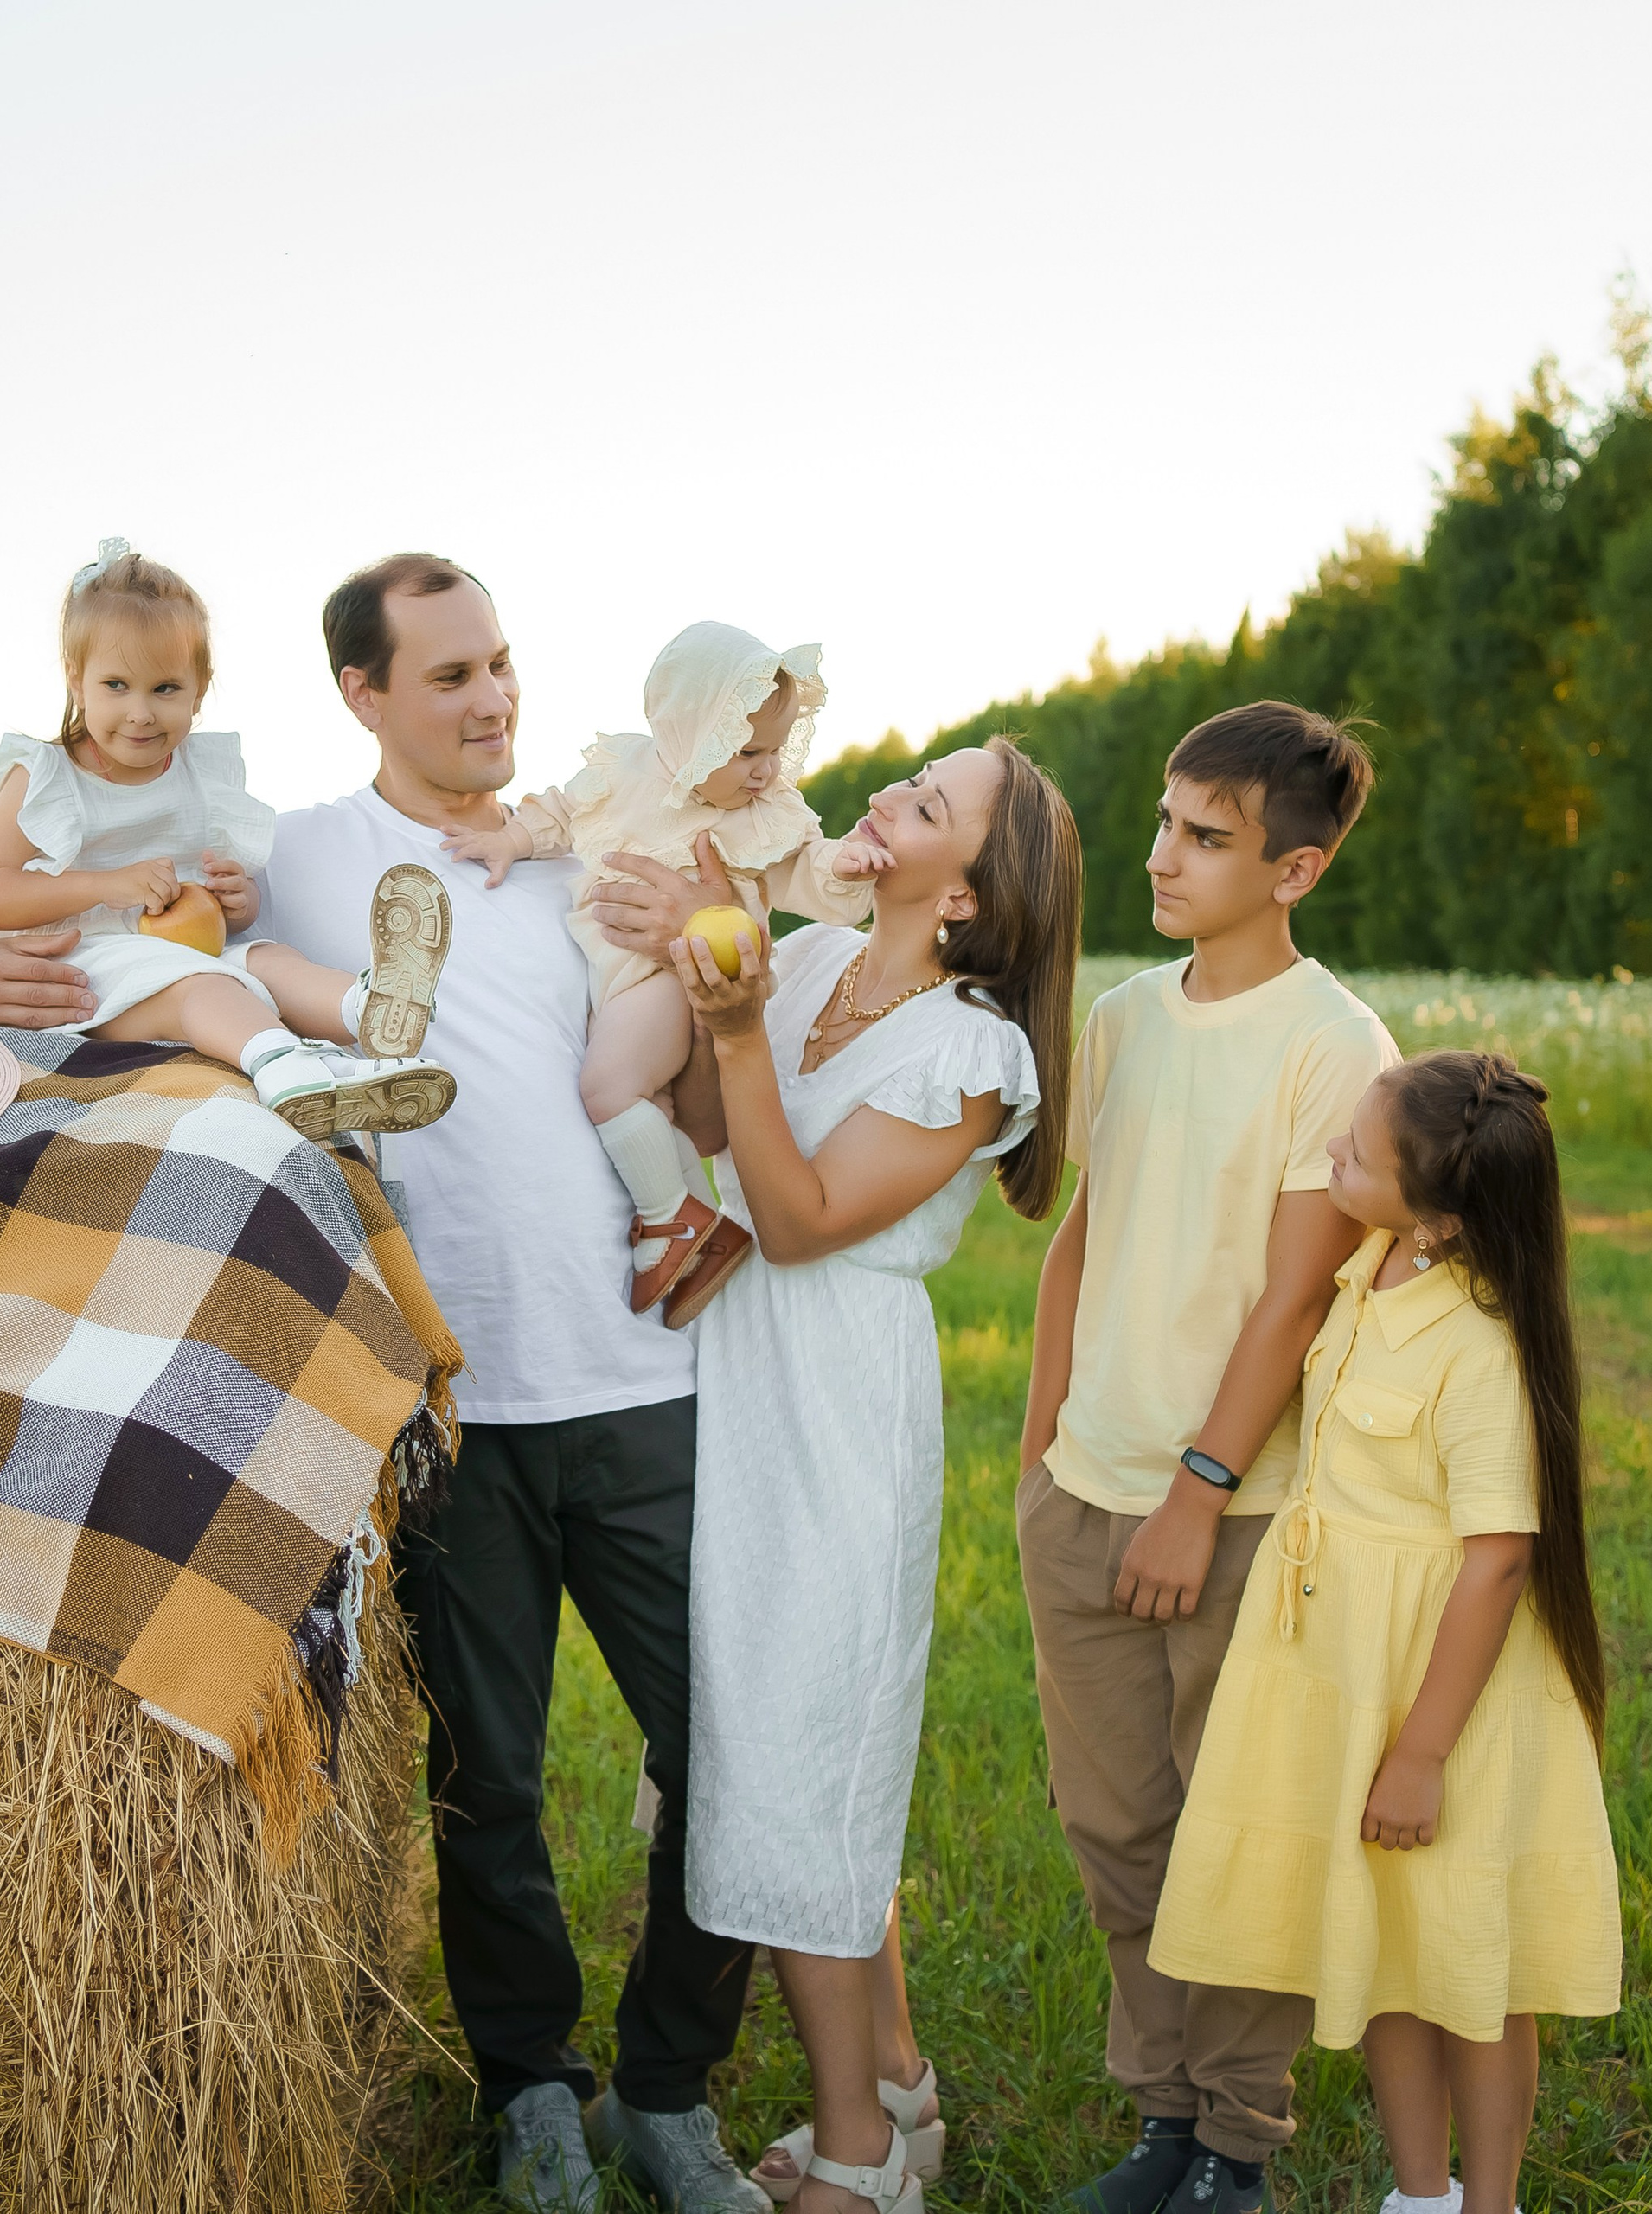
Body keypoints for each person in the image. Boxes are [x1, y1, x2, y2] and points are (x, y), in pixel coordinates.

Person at [0, 553, 767, 2214]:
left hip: (641, 1376)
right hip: (440, 1392)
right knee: (491, 1786)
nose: (494, 698)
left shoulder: (587, 851)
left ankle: (669, 2094)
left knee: (729, 1755)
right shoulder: (299, 855)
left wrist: (702, 977)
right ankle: (532, 2088)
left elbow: (716, 1063)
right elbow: (123, 931)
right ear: (363, 694)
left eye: (501, 663)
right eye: (451, 675)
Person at [663, 739, 1079, 2214]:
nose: (892, 795)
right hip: (744, 1379)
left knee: (805, 1754)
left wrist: (733, 1032)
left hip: (837, 1395)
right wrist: (716, 976)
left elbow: (796, 1218)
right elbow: (709, 1134)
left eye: (930, 802)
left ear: (964, 894)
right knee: (788, 1743)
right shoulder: (815, 959)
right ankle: (897, 2080)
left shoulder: (973, 1052)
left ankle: (859, 2156)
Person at [1015, 701, 1398, 2214]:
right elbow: (1083, 1238)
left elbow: (1296, 1297)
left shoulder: (1336, 1045)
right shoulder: (1122, 1017)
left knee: (1235, 1834)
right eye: (1168, 824)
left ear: (1295, 870)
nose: (1164, 858)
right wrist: (1043, 1452)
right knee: (1116, 1829)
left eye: (1207, 838)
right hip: (1083, 1493)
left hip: (1236, 1512)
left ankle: (1238, 2143)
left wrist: (1198, 1494)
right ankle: (1163, 2119)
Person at [1149, 1053, 1620, 2214]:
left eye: (1357, 1155)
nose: (1332, 1157)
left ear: (1443, 1219)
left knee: (1469, 1963)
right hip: (1349, 1674)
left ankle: (1490, 2200)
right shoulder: (1371, 1266)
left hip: (1444, 1699)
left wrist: (1420, 1752)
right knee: (1383, 1954)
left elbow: (1498, 1558)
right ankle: (1420, 2194)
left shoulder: (1481, 1348)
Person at [0, 539, 455, 1136]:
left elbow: (226, 912)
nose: (141, 712)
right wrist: (104, 885)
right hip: (87, 974)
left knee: (269, 957)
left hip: (190, 951)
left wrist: (237, 900)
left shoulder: (200, 776)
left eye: (165, 688)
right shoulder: (47, 779)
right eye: (116, 685)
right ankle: (286, 1069)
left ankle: (370, 1009)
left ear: (200, 686)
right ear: (76, 679)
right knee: (207, 987)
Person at [441, 622, 875, 1309]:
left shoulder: (759, 814)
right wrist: (509, 839)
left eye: (773, 751)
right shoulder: (625, 772)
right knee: (655, 1110)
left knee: (609, 1089)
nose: (766, 771)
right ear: (689, 734)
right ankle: (705, 1241)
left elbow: (805, 867)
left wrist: (844, 864)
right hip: (621, 979)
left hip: (673, 975)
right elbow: (559, 812)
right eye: (747, 752)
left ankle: (670, 1218)